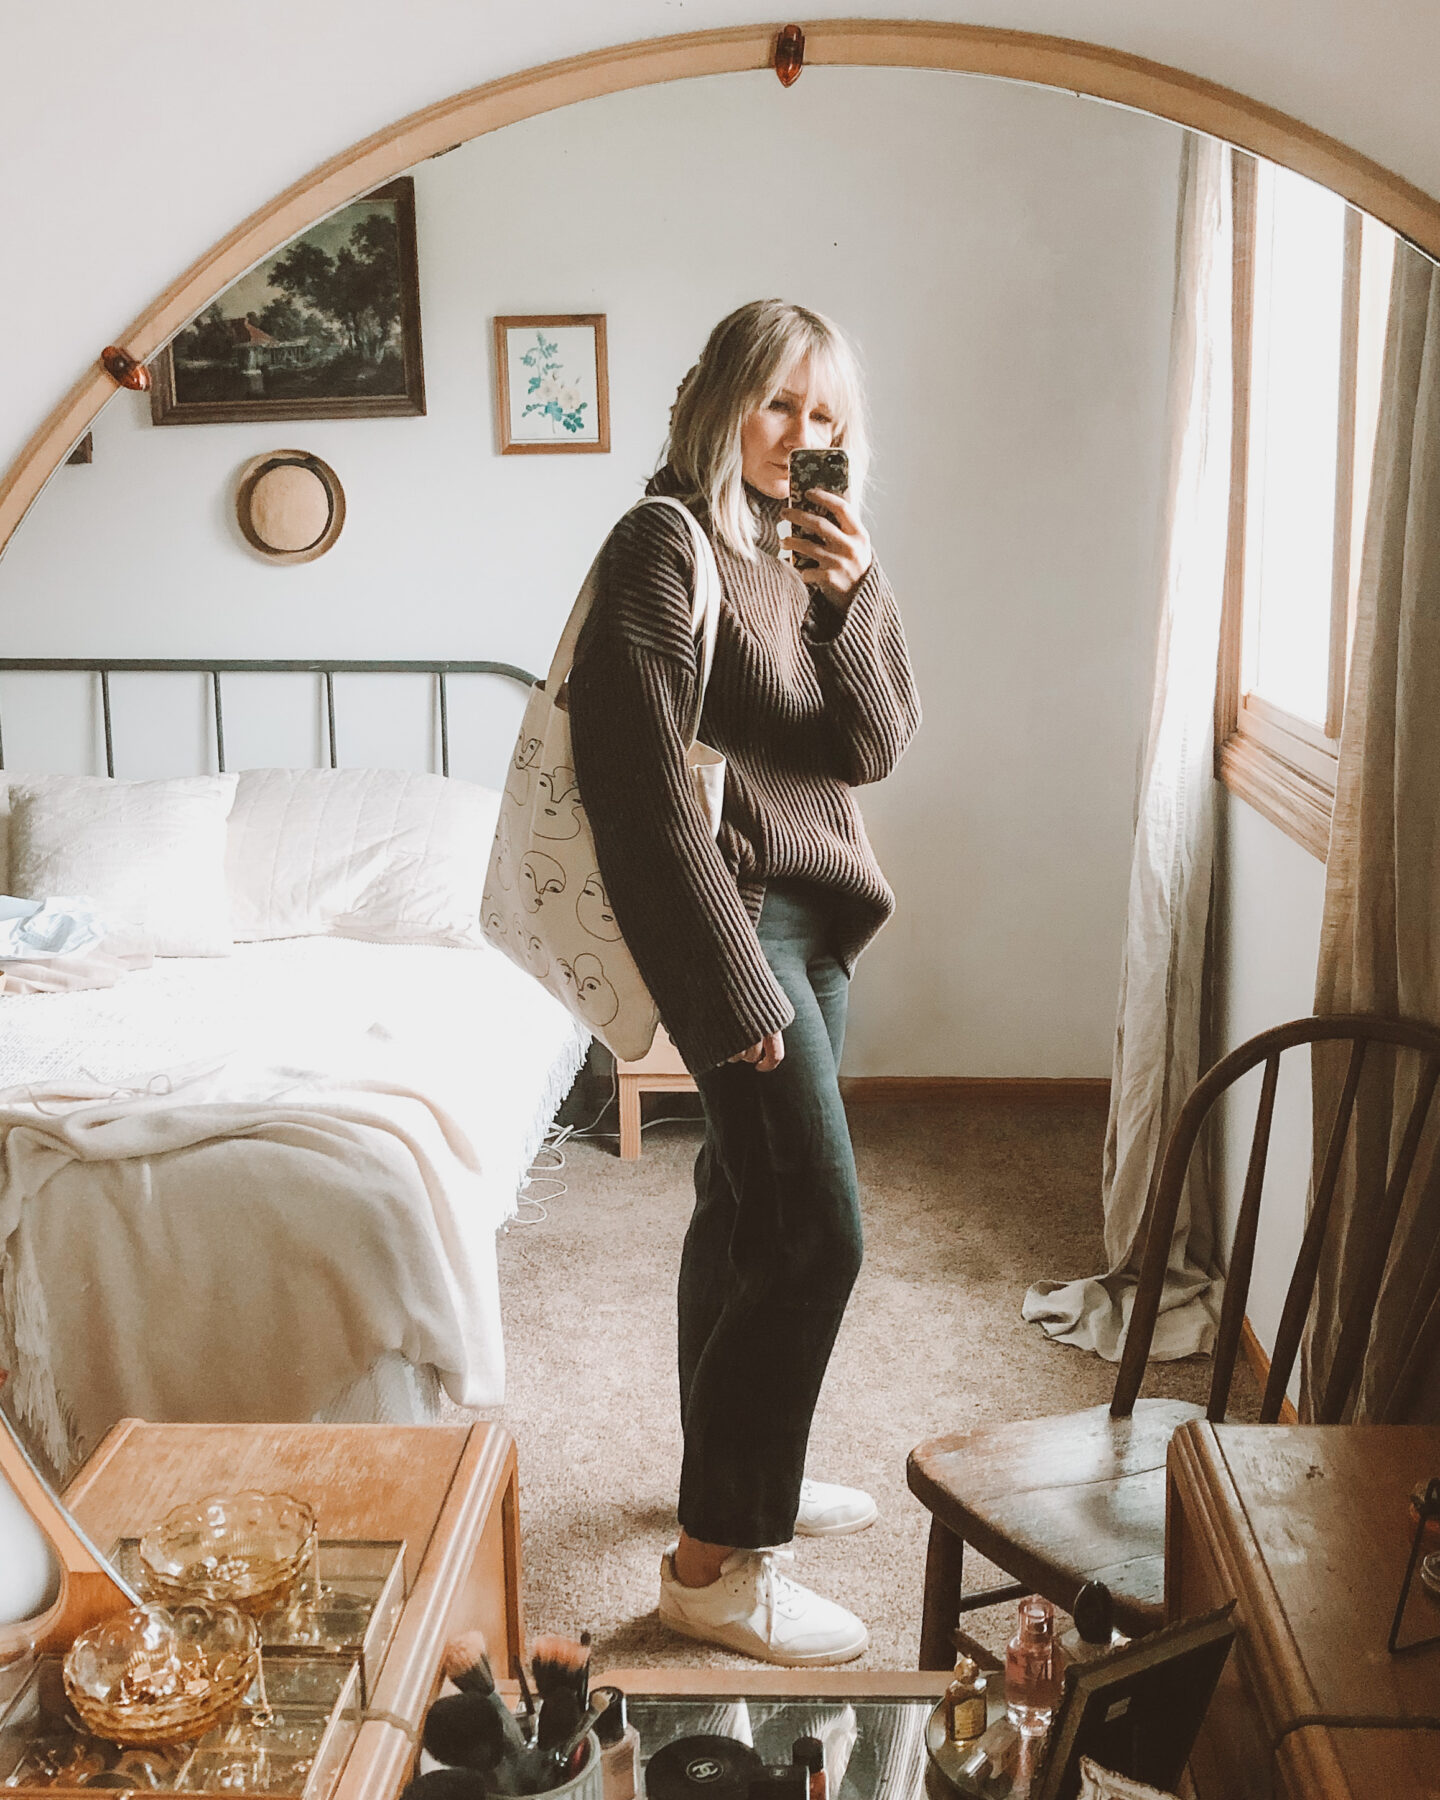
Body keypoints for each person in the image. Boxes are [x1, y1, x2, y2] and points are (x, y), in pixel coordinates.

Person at [569, 299, 920, 1665]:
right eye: (780, 404)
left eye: (826, 414)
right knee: (819, 1237)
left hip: (815, 920)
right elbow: (643, 800)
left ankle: (728, 1478)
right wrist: (731, 996)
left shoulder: (797, 557)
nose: (804, 436)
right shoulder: (660, 550)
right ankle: (716, 1568)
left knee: (738, 1214)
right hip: (744, 928)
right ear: (718, 400)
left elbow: (871, 745)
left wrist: (858, 593)